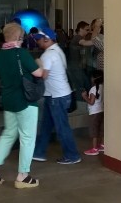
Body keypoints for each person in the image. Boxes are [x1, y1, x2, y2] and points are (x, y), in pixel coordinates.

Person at [0, 22, 44, 189]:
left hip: (8, 99)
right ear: (18, 37)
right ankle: (23, 175)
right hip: (25, 100)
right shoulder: (20, 53)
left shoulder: (0, 55)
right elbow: (38, 73)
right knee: (27, 138)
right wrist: (41, 64)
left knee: (8, 134)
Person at [32, 27, 82, 165]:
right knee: (47, 125)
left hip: (56, 97)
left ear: (46, 39)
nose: (37, 42)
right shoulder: (58, 51)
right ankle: (39, 152)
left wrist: (36, 63)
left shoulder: (48, 55)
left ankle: (72, 155)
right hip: (57, 95)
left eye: (39, 40)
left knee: (62, 127)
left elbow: (43, 75)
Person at [82, 70, 104, 156]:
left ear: (94, 79)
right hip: (101, 111)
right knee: (101, 128)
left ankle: (94, 149)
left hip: (94, 112)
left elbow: (91, 102)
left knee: (94, 130)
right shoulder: (103, 87)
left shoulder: (93, 89)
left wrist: (84, 96)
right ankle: (102, 145)